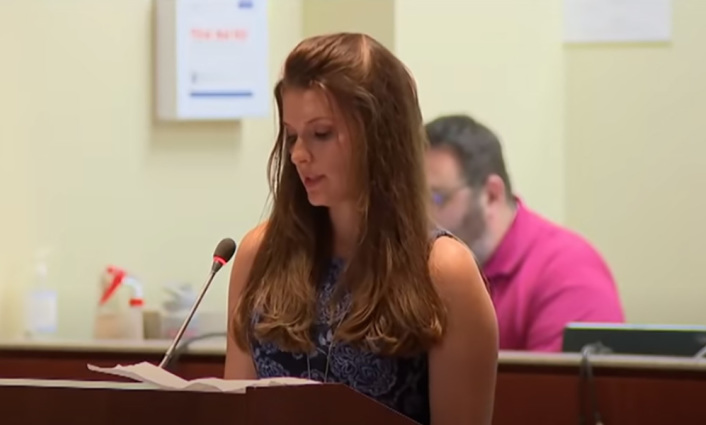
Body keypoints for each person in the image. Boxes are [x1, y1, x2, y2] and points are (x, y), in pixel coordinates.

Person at [223, 33, 498, 425]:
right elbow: (237, 410)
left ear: (379, 137)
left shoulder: (444, 271)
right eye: (292, 136)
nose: (299, 155)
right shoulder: (259, 253)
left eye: (321, 133)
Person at [423, 114, 625, 352]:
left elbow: (556, 388)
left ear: (491, 195)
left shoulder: (567, 272)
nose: (421, 215)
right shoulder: (422, 268)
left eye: (435, 198)